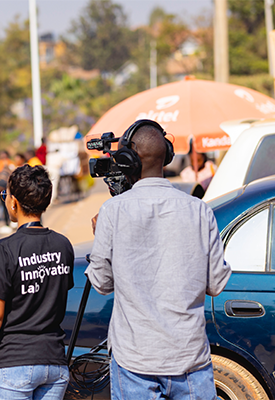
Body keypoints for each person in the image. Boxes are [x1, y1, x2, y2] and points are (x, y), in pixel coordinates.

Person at [86, 120, 232, 400]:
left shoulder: (112, 212)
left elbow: (102, 284)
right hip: (190, 358)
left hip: (134, 360)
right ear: (166, 154)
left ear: (128, 160)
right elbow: (216, 284)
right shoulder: (200, 211)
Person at [0, 164, 74, 400]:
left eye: (5, 195)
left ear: (13, 202)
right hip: (55, 363)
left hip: (13, 365)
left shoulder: (4, 250)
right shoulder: (63, 245)